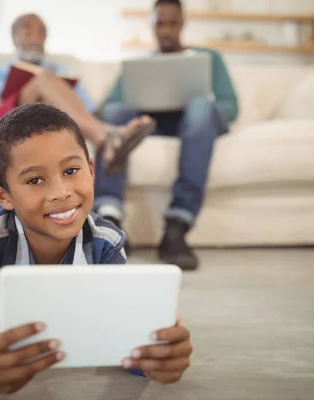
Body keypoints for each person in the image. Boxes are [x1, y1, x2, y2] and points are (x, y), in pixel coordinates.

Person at [0, 104, 192, 394]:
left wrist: (154, 352)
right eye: (35, 180)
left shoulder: (106, 242)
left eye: (71, 171)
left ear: (91, 169)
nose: (61, 193)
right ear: (3, 196)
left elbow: (120, 329)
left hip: (6, 227)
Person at [93, 0, 239, 270]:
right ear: (151, 26)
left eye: (173, 23)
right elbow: (106, 109)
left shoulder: (208, 58)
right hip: (155, 124)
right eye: (160, 24)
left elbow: (230, 107)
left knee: (199, 107)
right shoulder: (141, 65)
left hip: (197, 122)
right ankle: (109, 217)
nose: (166, 31)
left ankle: (177, 226)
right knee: (117, 113)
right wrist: (144, 104)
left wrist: (193, 100)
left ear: (182, 24)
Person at [0, 13, 155, 174]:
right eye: (27, 29)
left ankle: (108, 137)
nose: (34, 37)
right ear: (14, 37)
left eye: (41, 32)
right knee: (45, 78)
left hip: (48, 120)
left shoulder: (62, 73)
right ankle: (106, 136)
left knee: (49, 81)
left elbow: (87, 111)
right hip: (7, 117)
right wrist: (0, 105)